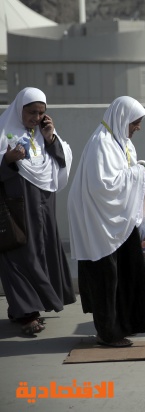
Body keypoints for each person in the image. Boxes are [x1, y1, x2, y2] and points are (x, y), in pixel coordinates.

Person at [67, 96, 145, 348]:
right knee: (106, 277)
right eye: (135, 122)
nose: (138, 127)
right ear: (122, 119)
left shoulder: (122, 143)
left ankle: (124, 326)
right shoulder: (102, 143)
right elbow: (104, 185)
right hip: (98, 221)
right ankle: (107, 333)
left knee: (127, 272)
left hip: (117, 221)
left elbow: (127, 171)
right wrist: (137, 174)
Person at [0, 87, 75, 336]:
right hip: (16, 208)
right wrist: (8, 160)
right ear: (19, 109)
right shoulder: (3, 131)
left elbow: (61, 159)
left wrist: (50, 137)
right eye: (31, 112)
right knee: (20, 256)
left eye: (41, 113)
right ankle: (26, 313)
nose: (35, 117)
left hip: (43, 204)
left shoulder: (42, 133)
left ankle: (22, 307)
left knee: (42, 251)